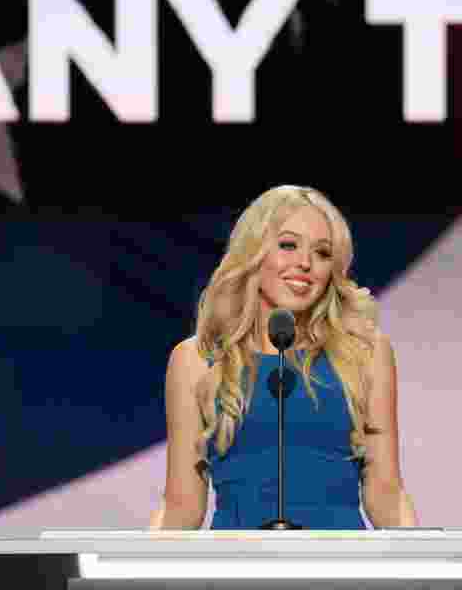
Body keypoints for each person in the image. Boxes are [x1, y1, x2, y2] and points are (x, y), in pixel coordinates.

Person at [149, 185, 419, 529]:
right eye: (288, 245)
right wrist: (132, 573)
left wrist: (423, 567)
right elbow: (181, 506)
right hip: (237, 567)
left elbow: (386, 493)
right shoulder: (196, 360)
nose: (305, 263)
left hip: (341, 567)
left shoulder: (365, 352)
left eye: (322, 253)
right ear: (254, 253)